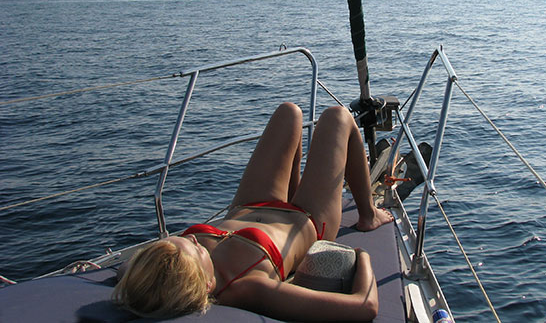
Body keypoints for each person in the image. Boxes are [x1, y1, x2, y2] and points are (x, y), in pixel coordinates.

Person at [112, 103, 394, 321]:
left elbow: (131, 273)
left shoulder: (161, 269)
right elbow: (364, 306)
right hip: (308, 218)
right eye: (196, 250)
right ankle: (368, 215)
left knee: (289, 113)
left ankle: (298, 186)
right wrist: (362, 256)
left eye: (188, 239)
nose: (196, 240)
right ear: (208, 285)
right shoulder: (247, 287)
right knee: (338, 117)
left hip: (253, 204)